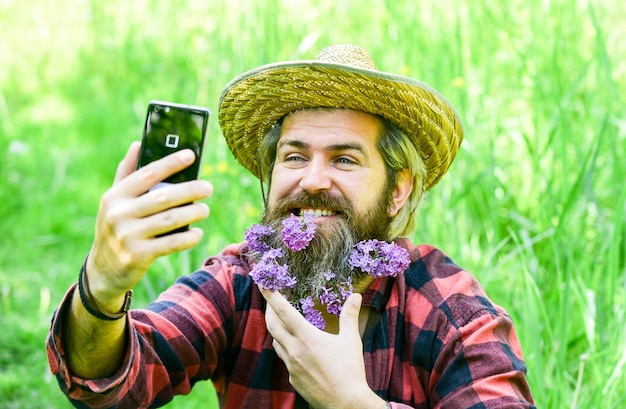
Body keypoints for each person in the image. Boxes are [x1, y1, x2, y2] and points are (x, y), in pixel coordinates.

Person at [46, 44, 536, 408]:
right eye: (294, 156)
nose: (313, 179)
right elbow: (111, 380)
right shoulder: (241, 281)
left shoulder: (452, 312)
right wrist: (103, 287)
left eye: (344, 159)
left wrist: (351, 402)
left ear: (399, 189)